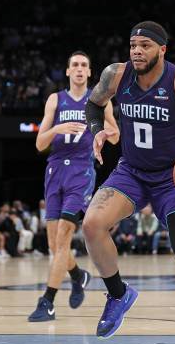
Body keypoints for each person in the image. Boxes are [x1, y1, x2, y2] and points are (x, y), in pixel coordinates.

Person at [83, 21, 175, 341]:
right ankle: (118, 294)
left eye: (145, 46)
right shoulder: (115, 74)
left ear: (162, 50)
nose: (137, 51)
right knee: (92, 224)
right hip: (131, 172)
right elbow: (94, 104)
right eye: (133, 45)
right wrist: (97, 132)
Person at [28, 51, 119, 322]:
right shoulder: (55, 99)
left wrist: (102, 129)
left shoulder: (99, 100)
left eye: (84, 66)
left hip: (81, 171)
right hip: (54, 170)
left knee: (64, 238)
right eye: (75, 65)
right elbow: (39, 144)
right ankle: (78, 275)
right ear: (68, 72)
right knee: (55, 247)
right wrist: (57, 129)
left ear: (90, 73)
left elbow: (116, 137)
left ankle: (48, 302)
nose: (79, 69)